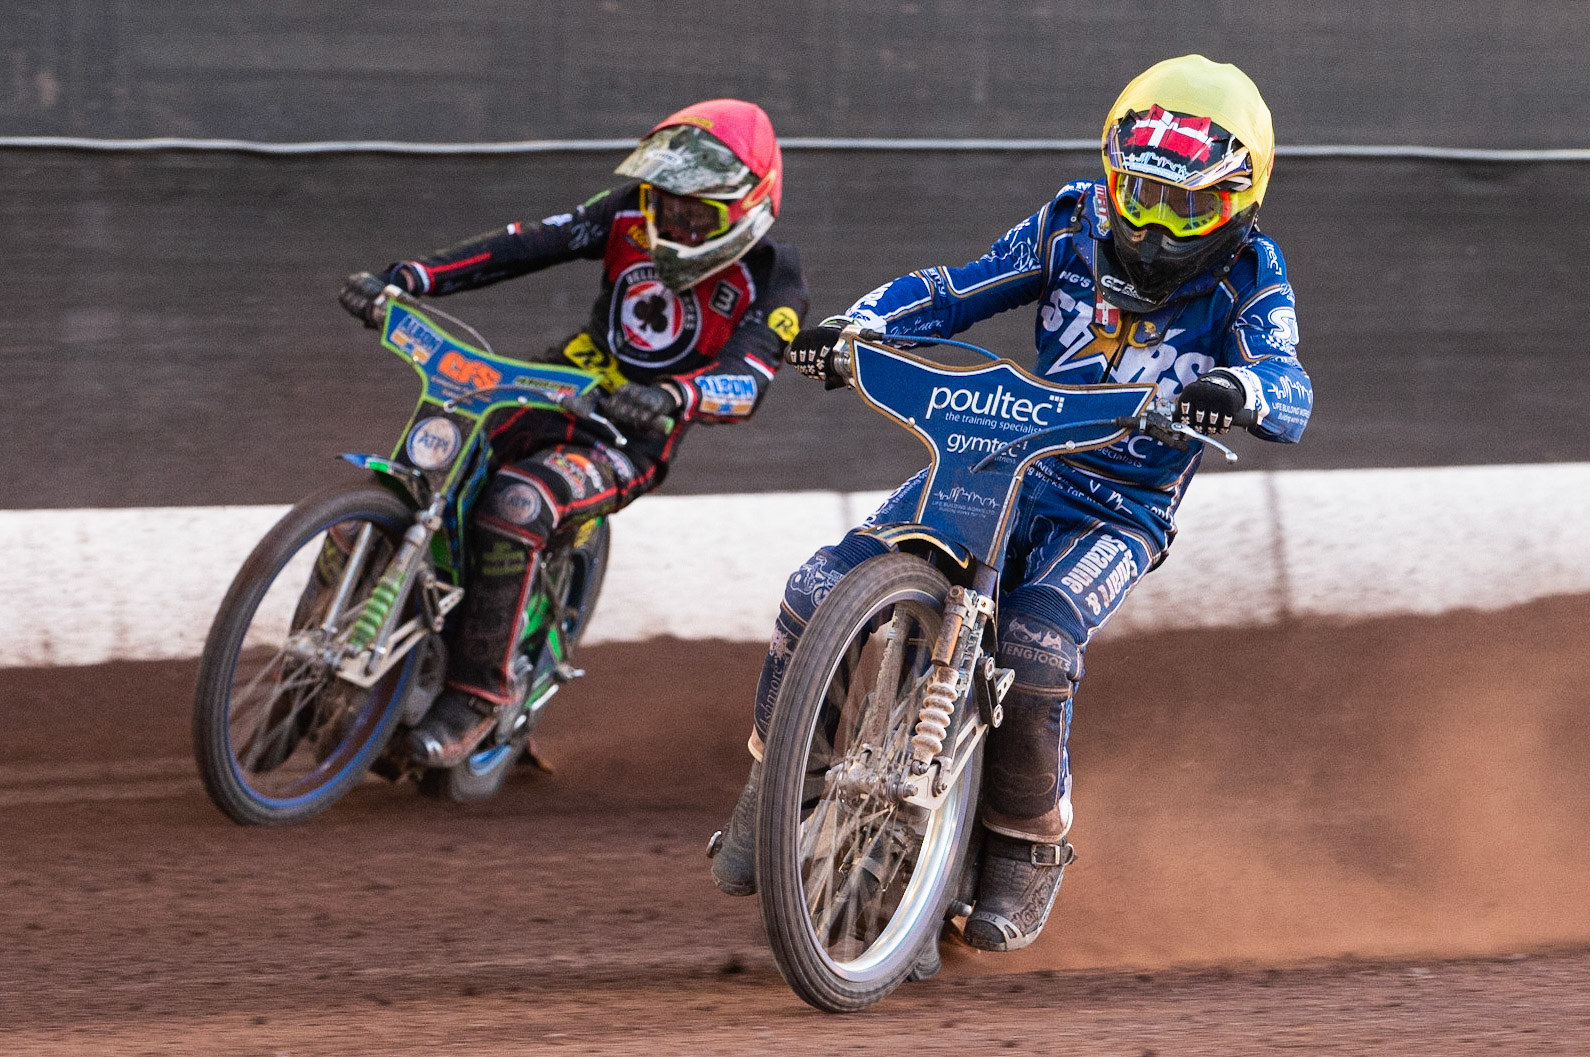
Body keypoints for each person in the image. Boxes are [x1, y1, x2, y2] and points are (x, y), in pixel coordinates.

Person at [708, 56, 1312, 955]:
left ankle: (1029, 843)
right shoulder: (1071, 221)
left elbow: (1289, 385)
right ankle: (775, 783)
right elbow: (958, 288)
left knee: (1034, 648)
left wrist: (1241, 389)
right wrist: (859, 326)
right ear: (1111, 175)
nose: (1152, 226)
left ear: (1241, 203)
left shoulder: (1253, 275)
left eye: (1184, 208)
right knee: (816, 587)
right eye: (1140, 193)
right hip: (1001, 457)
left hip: (1118, 509)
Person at [338, 99, 809, 768]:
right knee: (420, 467)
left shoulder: (774, 275)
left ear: (748, 208)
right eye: (665, 203)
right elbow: (527, 242)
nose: (673, 222)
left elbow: (748, 379)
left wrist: (675, 394)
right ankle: (339, 636)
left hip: (632, 434)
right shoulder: (627, 211)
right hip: (556, 383)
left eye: (696, 213)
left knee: (518, 503)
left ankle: (478, 696)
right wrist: (411, 276)